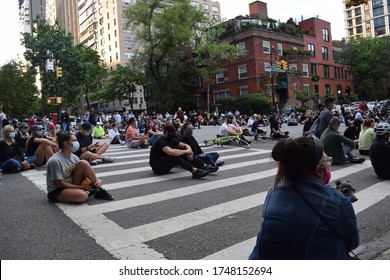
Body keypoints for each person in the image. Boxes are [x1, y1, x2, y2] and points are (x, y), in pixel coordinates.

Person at [249, 136, 359, 259]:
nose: (329, 164)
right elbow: (353, 242)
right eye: (328, 161)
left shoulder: (273, 191)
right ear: (319, 170)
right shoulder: (337, 201)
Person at [46, 132, 113, 203]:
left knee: (83, 163)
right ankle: (83, 191)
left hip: (71, 183)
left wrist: (97, 181)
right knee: (83, 196)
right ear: (66, 144)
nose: (77, 143)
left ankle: (98, 190)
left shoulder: (74, 157)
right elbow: (59, 183)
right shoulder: (55, 161)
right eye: (74, 141)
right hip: (58, 189)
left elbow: (83, 174)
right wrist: (81, 187)